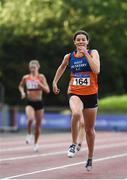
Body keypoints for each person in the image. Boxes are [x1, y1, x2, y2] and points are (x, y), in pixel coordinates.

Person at [53, 30, 100, 171]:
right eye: (78, 39)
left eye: (83, 39)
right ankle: (73, 143)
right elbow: (61, 67)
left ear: (87, 42)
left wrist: (86, 53)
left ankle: (90, 158)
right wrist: (55, 82)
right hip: (74, 92)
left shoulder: (93, 53)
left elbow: (96, 70)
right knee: (76, 114)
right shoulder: (69, 56)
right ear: (74, 42)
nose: (80, 41)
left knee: (89, 130)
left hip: (91, 94)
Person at [18, 60, 50, 152]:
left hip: (39, 103)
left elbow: (47, 90)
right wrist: (22, 92)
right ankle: (28, 134)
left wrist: (40, 84)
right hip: (30, 102)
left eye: (34, 67)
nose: (32, 69)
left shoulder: (41, 77)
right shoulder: (26, 77)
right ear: (29, 68)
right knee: (30, 119)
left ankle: (36, 143)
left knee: (37, 126)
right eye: (31, 67)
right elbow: (20, 86)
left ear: (38, 68)